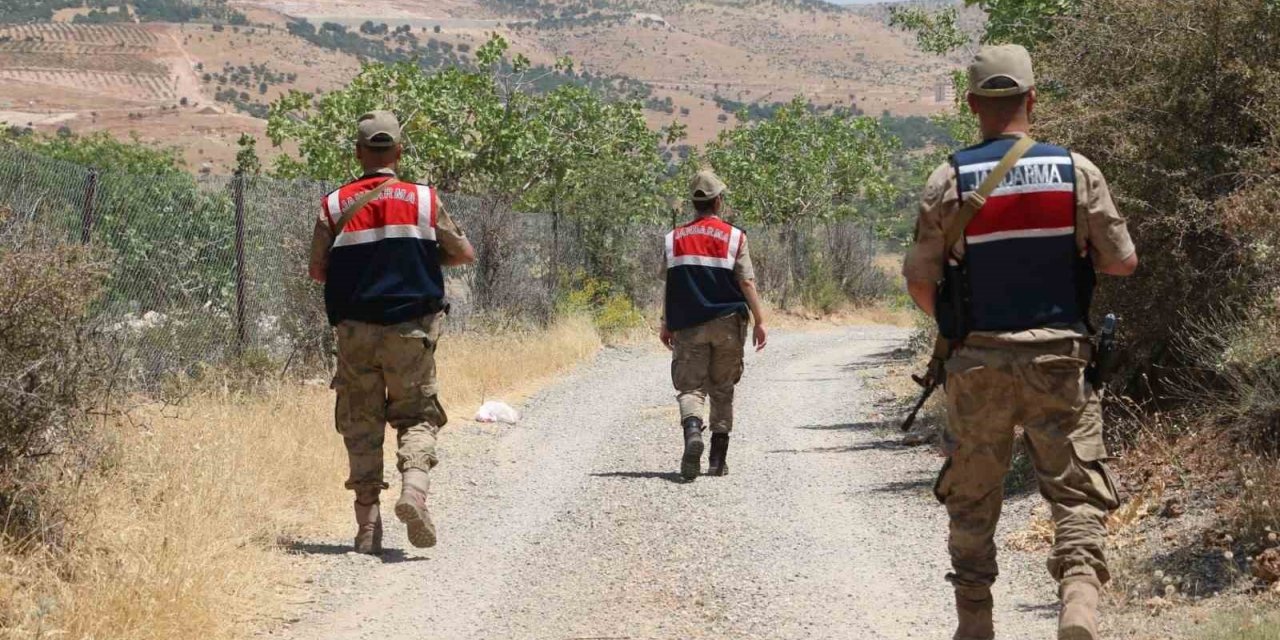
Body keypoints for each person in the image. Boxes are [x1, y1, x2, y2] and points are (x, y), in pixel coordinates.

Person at [902, 45, 1139, 640]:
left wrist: (957, 330)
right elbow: (1122, 262)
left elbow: (920, 281)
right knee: (1076, 492)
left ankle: (974, 623)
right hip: (1061, 361)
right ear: (1032, 98)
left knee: (972, 497)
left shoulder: (949, 178)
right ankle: (1078, 601)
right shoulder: (1076, 171)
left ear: (972, 104)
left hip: (977, 363)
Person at [308, 111, 476, 555]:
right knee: (417, 416)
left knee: (361, 423)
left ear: (358, 153)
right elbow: (464, 253)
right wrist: (420, 259)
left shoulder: (334, 204)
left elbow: (317, 270)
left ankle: (367, 529)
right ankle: (414, 492)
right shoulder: (423, 199)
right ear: (398, 152)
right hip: (411, 331)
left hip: (355, 333)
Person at [660, 169, 768, 481]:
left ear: (694, 203)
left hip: (688, 325)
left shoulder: (673, 239)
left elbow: (670, 285)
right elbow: (746, 282)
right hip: (728, 324)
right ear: (718, 201)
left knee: (690, 387)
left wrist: (665, 323)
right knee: (722, 388)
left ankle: (693, 432)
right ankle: (717, 461)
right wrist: (760, 321)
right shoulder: (735, 237)